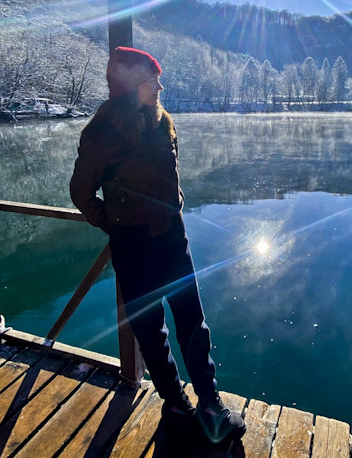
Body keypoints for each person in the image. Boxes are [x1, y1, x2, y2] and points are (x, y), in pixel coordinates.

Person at [69, 46, 246, 444]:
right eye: (152, 81)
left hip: (172, 236)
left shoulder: (163, 121)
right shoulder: (100, 133)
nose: (160, 87)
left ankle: (209, 401)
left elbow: (171, 177)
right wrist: (114, 225)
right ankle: (174, 401)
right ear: (131, 86)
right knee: (149, 326)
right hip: (132, 243)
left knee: (192, 320)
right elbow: (80, 192)